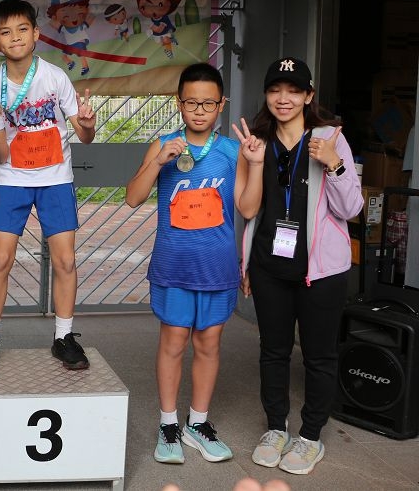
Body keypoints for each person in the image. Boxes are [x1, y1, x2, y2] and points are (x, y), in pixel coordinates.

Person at [232, 57, 363, 475]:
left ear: (309, 96)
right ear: (266, 95)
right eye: (275, 90)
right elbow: (248, 210)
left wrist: (335, 164)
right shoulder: (256, 142)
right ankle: (276, 428)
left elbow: (351, 208)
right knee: (272, 351)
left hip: (321, 272)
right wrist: (254, 162)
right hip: (269, 266)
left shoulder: (330, 139)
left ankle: (310, 436)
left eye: (293, 90)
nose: (283, 98)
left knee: (319, 356)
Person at [0, 0, 96, 374]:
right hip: (13, 181)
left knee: (65, 260)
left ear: (36, 33)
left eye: (23, 29)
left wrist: (88, 123)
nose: (16, 37)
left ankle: (64, 337)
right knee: (1, 259)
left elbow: (85, 136)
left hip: (56, 179)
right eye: (6, 32)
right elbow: (0, 154)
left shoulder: (55, 77)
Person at [125, 63, 240, 465]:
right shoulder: (163, 145)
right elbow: (133, 197)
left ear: (221, 105)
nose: (199, 111)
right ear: (179, 103)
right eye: (191, 102)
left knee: (209, 343)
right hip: (173, 265)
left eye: (208, 103)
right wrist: (159, 161)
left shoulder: (233, 152)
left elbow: (248, 206)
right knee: (173, 341)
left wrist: (257, 163)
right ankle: (169, 423)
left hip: (217, 266)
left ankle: (198, 423)